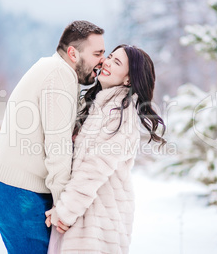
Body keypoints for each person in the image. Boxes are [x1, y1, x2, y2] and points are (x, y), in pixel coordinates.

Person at [0, 20, 105, 253]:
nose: (102, 60)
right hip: (20, 195)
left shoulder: (52, 69)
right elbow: (57, 147)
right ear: (73, 53)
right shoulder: (60, 76)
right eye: (97, 53)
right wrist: (64, 209)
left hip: (13, 191)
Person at [45, 44, 166, 253]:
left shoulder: (120, 115)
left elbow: (93, 169)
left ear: (129, 79)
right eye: (109, 57)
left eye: (116, 62)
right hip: (86, 214)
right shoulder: (99, 105)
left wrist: (64, 212)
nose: (107, 62)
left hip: (99, 222)